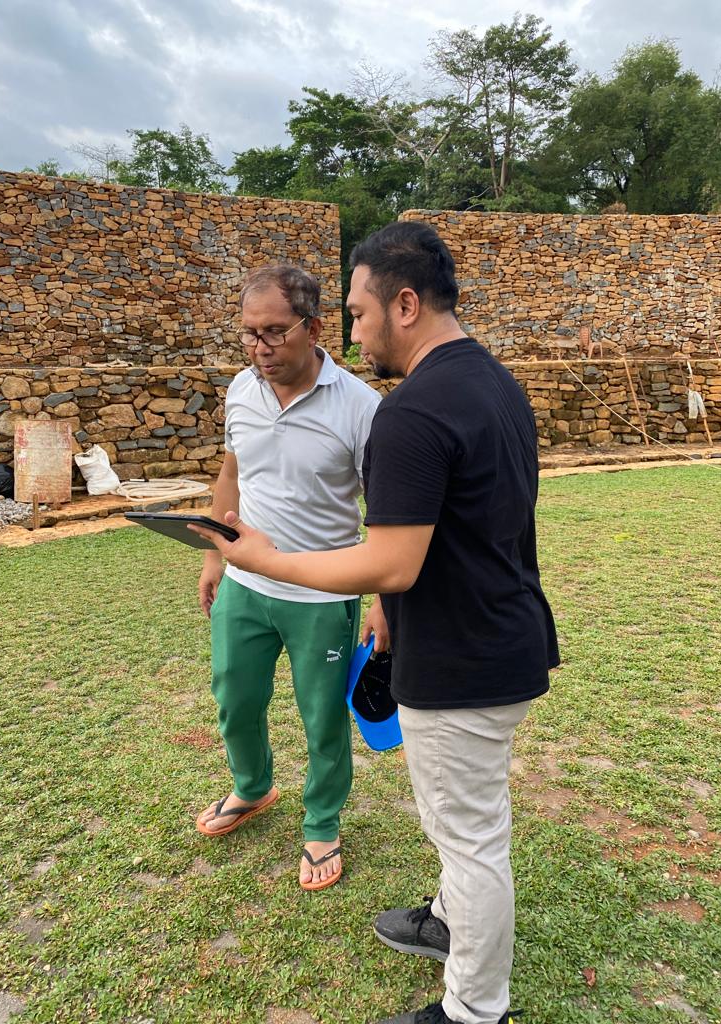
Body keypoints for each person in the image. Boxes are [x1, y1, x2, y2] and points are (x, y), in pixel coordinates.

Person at [191, 221, 559, 1023]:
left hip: (462, 657)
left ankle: (473, 1010)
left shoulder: (408, 412)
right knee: (465, 826)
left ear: (404, 305)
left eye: (358, 314)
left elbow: (392, 564)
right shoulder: (491, 380)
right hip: (500, 634)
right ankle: (450, 919)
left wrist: (267, 558)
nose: (355, 335)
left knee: (470, 838)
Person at [195, 264, 382, 892]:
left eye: (275, 331)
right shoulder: (241, 390)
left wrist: (383, 599)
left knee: (322, 716)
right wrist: (214, 556)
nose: (261, 347)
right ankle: (252, 788)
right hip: (246, 586)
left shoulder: (361, 407)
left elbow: (386, 512)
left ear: (314, 327)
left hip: (323, 594)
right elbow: (232, 474)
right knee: (235, 699)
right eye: (250, 333)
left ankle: (322, 822)